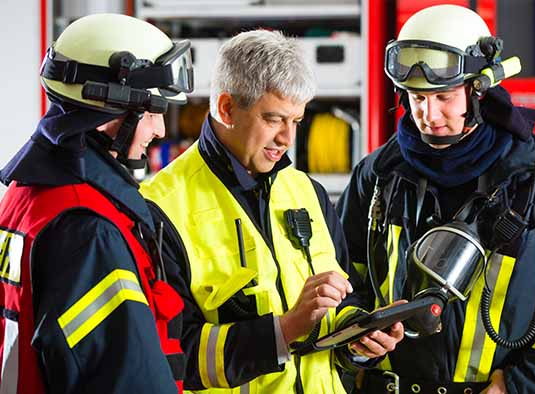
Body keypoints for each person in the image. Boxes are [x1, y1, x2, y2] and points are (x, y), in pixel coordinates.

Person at [337, 4, 535, 394]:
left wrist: (520, 387)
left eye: (444, 97)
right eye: (416, 98)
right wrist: (357, 338)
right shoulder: (379, 176)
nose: (428, 114)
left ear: (480, 89)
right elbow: (342, 279)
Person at [140, 29, 404, 393]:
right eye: (274, 119)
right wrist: (283, 332)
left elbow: (347, 297)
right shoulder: (160, 207)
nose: (288, 139)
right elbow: (170, 357)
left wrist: (361, 337)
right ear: (227, 108)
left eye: (295, 121)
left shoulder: (307, 192)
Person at [0, 14, 194, 393]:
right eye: (153, 112)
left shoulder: (25, 196)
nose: (160, 130)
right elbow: (128, 379)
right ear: (110, 112)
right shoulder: (90, 231)